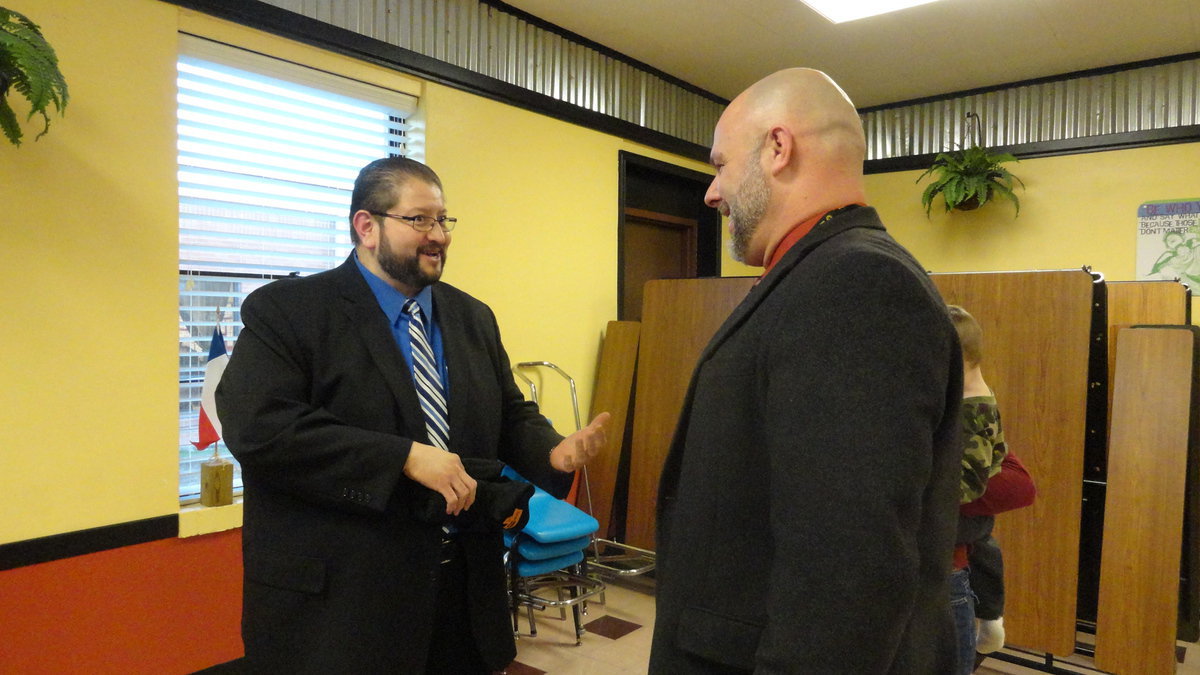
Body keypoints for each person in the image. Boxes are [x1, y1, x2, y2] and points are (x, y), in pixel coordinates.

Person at [216, 156, 609, 673]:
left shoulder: (471, 316)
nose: (438, 235)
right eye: (419, 219)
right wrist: (403, 457)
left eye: (443, 220)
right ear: (366, 226)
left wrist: (552, 450)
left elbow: (509, 412)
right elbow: (260, 428)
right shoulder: (291, 311)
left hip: (461, 588)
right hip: (347, 599)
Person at [649, 68, 964, 673]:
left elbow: (848, 569)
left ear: (777, 147)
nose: (711, 193)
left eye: (719, 165)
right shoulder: (821, 272)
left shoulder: (856, 285)